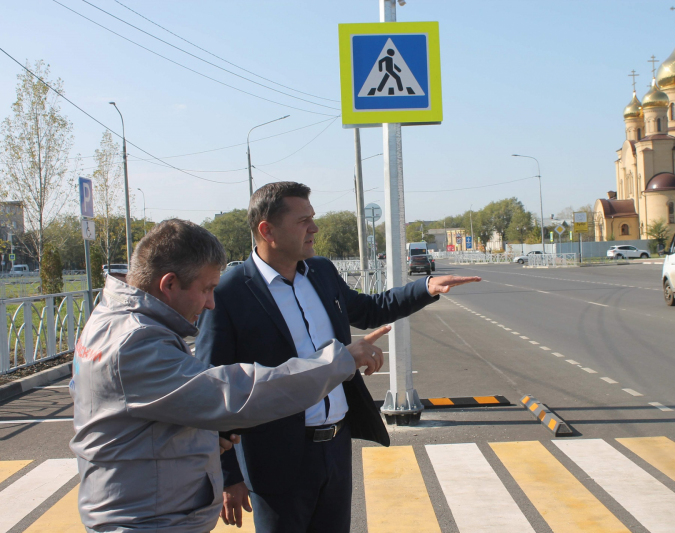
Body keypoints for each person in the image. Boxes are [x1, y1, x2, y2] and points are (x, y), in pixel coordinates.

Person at [69, 219, 388, 533]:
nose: (210, 303)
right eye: (206, 289)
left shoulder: (112, 320)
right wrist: (338, 361)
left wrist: (199, 434)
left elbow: (135, 415)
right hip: (147, 521)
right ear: (168, 284)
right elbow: (239, 394)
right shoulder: (135, 342)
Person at [196, 182, 481, 532]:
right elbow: (213, 387)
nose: (314, 228)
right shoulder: (228, 293)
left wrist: (425, 288)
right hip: (275, 461)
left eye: (312, 218)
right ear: (267, 230)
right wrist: (228, 476)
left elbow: (369, 309)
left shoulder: (322, 273)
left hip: (335, 450)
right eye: (303, 221)